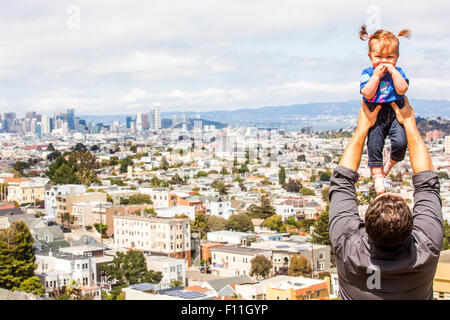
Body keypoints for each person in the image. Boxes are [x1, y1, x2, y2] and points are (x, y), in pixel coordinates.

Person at [329, 97, 443, 300]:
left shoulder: (347, 246)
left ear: (365, 226)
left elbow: (342, 181)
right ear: (411, 227)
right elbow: (427, 184)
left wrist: (362, 127)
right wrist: (409, 124)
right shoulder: (425, 247)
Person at [359, 25, 411, 194]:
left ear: (397, 57)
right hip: (377, 111)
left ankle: (390, 163)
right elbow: (366, 93)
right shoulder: (367, 73)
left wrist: (394, 72)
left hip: (396, 111)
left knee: (401, 142)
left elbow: (402, 89)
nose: (384, 61)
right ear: (370, 57)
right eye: (378, 57)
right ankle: (378, 177)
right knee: (374, 145)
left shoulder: (399, 71)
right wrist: (376, 76)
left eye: (390, 57)